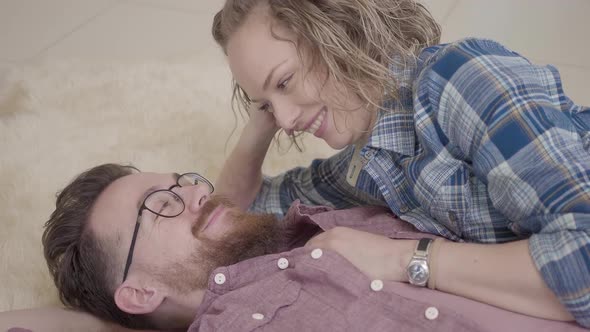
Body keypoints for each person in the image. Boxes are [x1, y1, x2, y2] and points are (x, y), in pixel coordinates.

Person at [211, 0, 590, 328]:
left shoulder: (461, 77)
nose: (286, 119)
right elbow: (240, 206)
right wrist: (260, 116)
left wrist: (403, 259)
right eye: (266, 104)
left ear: (340, 31)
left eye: (285, 81)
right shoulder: (370, 163)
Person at [1, 163, 587, 332]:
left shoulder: (314, 217)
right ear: (138, 290)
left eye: (181, 181)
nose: (194, 194)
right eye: (159, 205)